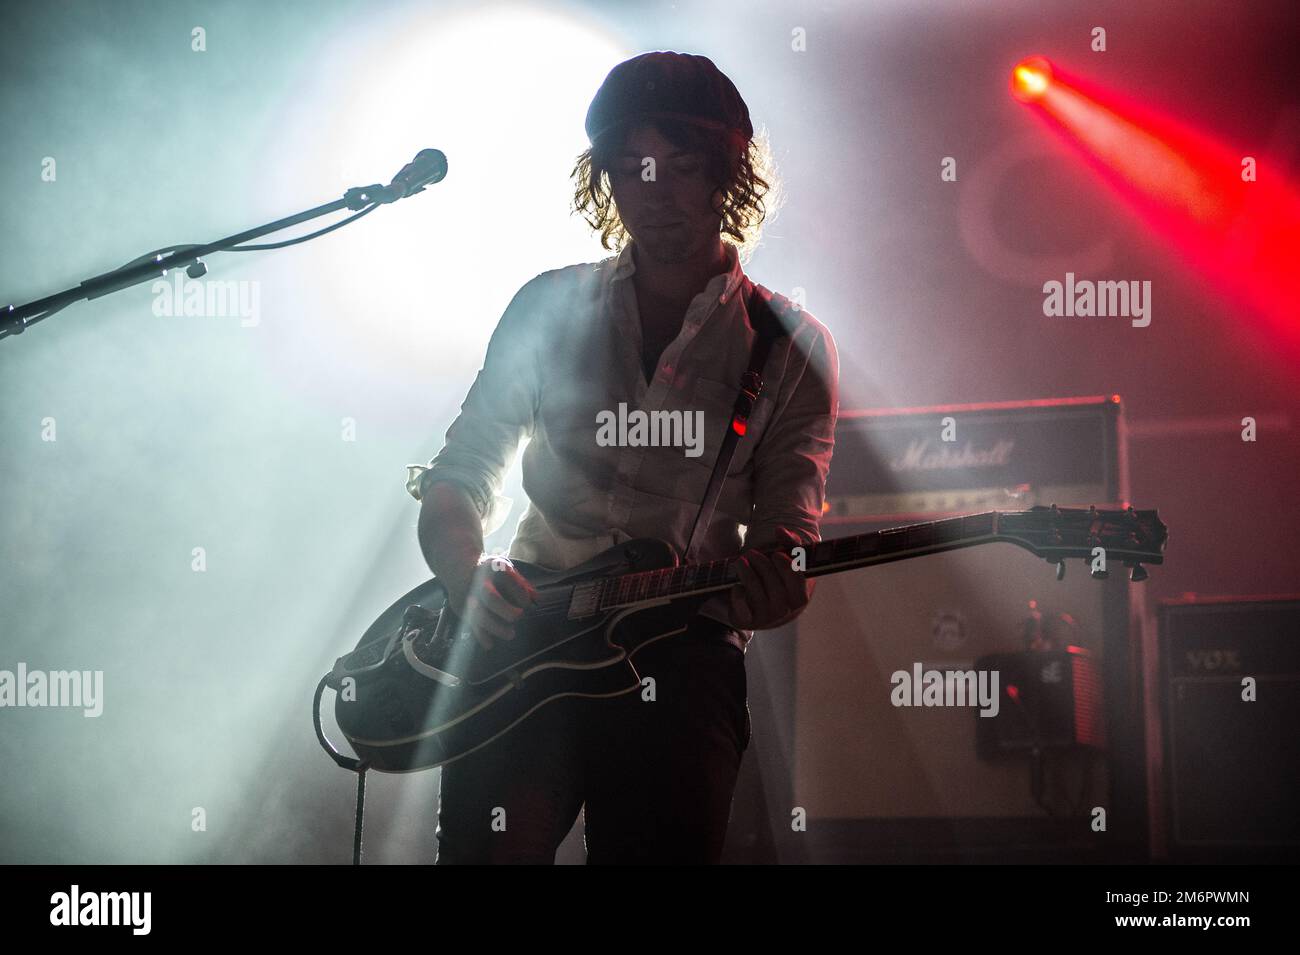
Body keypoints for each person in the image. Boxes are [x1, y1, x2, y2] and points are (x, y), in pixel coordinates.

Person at [407, 50, 839, 864]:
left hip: (681, 663)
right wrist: (469, 569)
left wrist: (775, 586)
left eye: (683, 166)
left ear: (728, 174)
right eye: (633, 167)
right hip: (526, 639)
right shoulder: (547, 306)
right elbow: (460, 474)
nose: (657, 190)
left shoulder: (791, 348)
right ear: (603, 174)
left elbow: (789, 535)